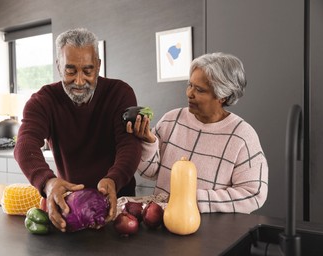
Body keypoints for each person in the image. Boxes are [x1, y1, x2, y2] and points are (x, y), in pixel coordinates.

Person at [14, 28, 142, 231]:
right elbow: (24, 146)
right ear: (58, 66)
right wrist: (48, 183)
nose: (80, 81)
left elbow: (130, 145)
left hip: (118, 202)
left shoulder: (120, 93)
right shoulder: (42, 101)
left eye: (88, 71)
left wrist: (113, 179)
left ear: (98, 66)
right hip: (70, 206)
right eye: (70, 71)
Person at [127, 52, 268, 214]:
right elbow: (149, 173)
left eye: (200, 90)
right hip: (163, 222)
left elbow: (254, 194)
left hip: (211, 231)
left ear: (223, 96)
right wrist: (149, 142)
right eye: (190, 85)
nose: (189, 93)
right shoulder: (171, 120)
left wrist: (193, 199)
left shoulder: (242, 136)